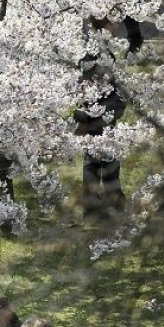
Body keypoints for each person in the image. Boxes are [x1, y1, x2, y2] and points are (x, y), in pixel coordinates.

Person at [73, 61, 126, 218]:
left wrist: (98, 114)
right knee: (92, 168)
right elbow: (78, 106)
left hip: (105, 129)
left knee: (106, 168)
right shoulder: (85, 80)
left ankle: (111, 206)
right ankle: (95, 207)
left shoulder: (110, 82)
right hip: (93, 129)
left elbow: (119, 105)